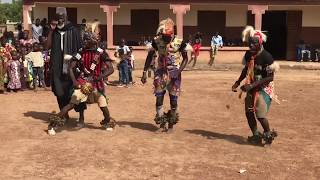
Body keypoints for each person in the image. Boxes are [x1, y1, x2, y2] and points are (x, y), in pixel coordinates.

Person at [48, 31, 115, 135]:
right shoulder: (80, 52)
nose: (84, 41)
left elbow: (111, 69)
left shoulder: (101, 53)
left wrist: (100, 77)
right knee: (71, 104)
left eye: (86, 39)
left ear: (93, 41)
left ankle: (107, 121)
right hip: (82, 83)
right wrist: (74, 81)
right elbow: (71, 68)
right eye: (84, 39)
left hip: (96, 85)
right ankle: (53, 124)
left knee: (103, 106)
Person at [231, 26, 278, 145]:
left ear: (260, 43)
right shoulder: (248, 55)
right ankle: (255, 135)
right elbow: (246, 69)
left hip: (264, 88)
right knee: (249, 112)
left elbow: (269, 77)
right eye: (250, 43)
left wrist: (251, 86)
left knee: (260, 114)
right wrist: (238, 82)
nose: (251, 46)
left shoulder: (267, 56)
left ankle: (268, 134)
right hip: (251, 85)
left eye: (254, 44)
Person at [141, 18, 188, 133]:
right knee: (159, 98)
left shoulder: (179, 41)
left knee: (173, 101)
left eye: (167, 36)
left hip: (174, 75)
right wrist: (144, 72)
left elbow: (186, 58)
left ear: (171, 34)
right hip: (160, 73)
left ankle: (171, 123)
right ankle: (162, 124)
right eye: (163, 36)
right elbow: (150, 56)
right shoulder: (157, 41)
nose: (165, 39)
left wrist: (179, 71)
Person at [46, 7, 84, 124]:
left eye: (62, 16)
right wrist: (51, 30)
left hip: (72, 67)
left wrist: (76, 61)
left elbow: (81, 49)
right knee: (59, 91)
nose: (60, 18)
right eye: (58, 16)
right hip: (57, 66)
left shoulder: (74, 30)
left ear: (66, 16)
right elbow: (47, 47)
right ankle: (64, 114)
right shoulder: (54, 31)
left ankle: (81, 116)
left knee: (76, 91)